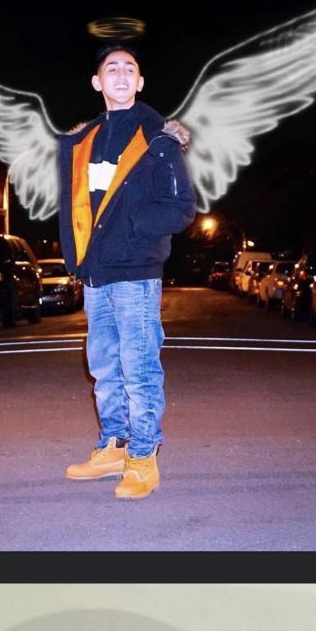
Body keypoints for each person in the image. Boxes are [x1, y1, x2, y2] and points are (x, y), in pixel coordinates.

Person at [58, 44, 196, 499]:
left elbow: (180, 208)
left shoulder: (158, 140)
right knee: (103, 367)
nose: (120, 74)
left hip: (136, 270)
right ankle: (114, 446)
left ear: (140, 82)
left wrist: (132, 227)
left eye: (129, 68)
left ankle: (143, 456)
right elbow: (77, 209)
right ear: (97, 82)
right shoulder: (82, 143)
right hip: (96, 273)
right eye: (111, 68)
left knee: (138, 367)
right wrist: (78, 259)